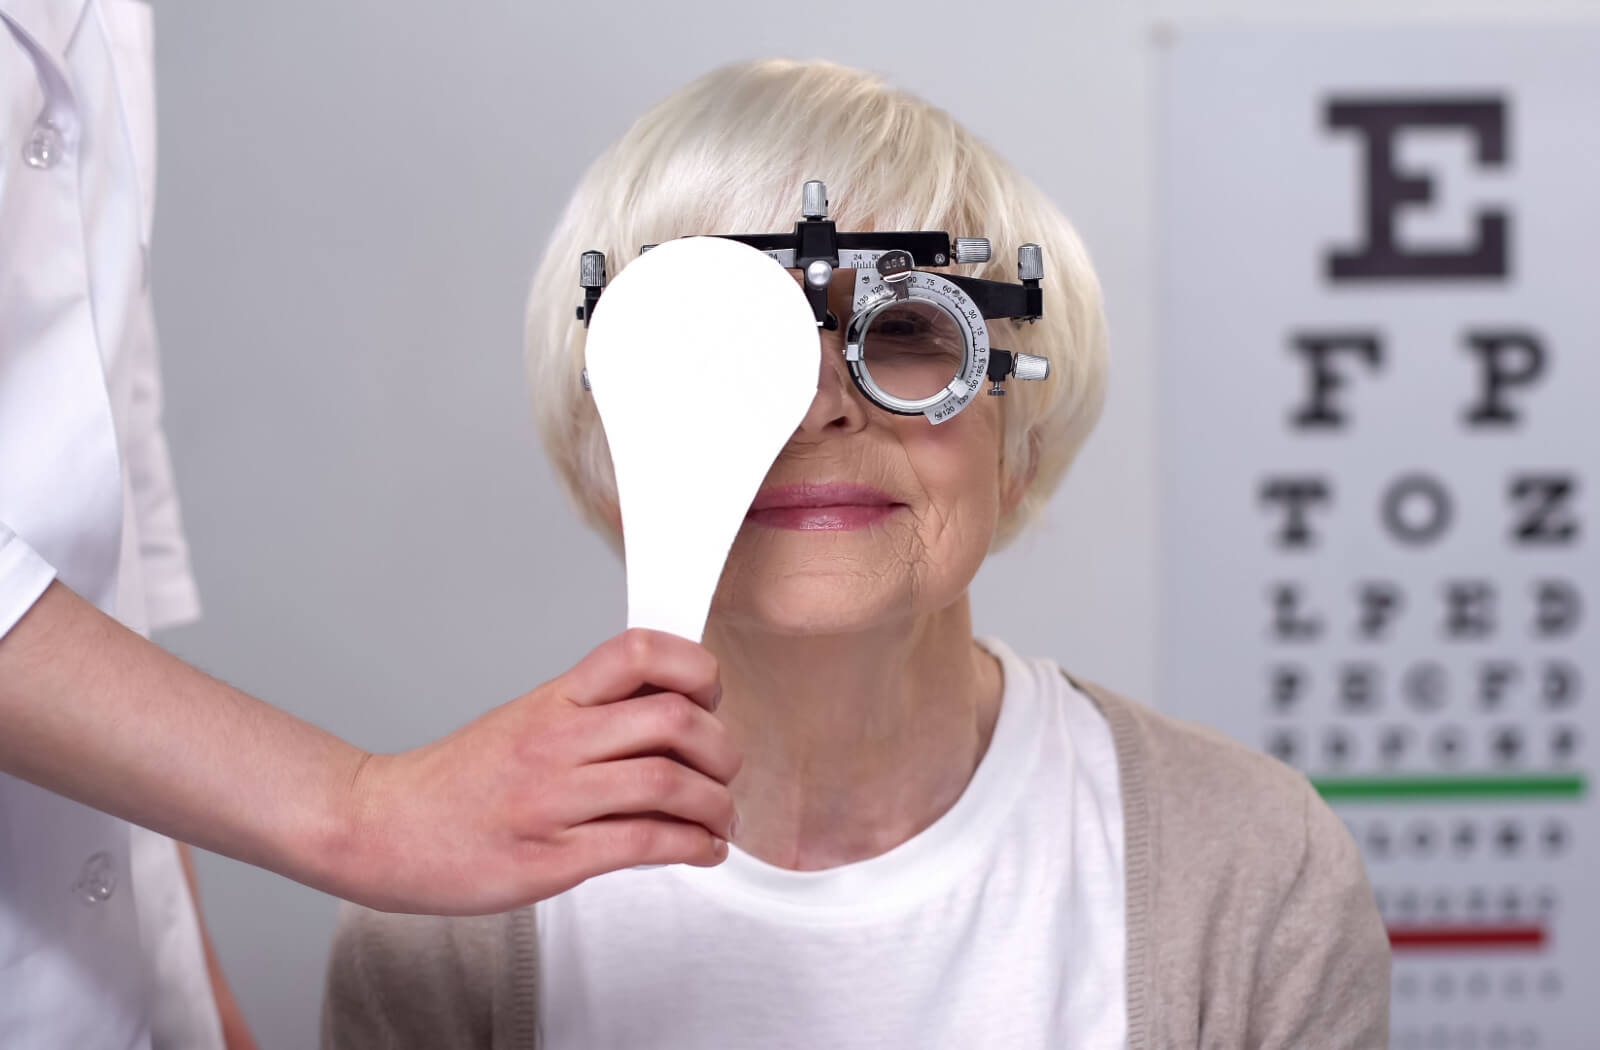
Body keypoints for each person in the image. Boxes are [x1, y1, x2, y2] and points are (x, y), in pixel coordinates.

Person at [321, 58, 1391, 1049]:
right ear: (610, 447)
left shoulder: (1248, 870)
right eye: (722, 345)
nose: (819, 408)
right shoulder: (447, 906)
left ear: (1015, 444)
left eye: (909, 331)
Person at [0, 2, 738, 1046]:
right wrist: (356, 809)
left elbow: (89, 567)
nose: (827, 410)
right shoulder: (457, 951)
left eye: (900, 332)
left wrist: (195, 1004)